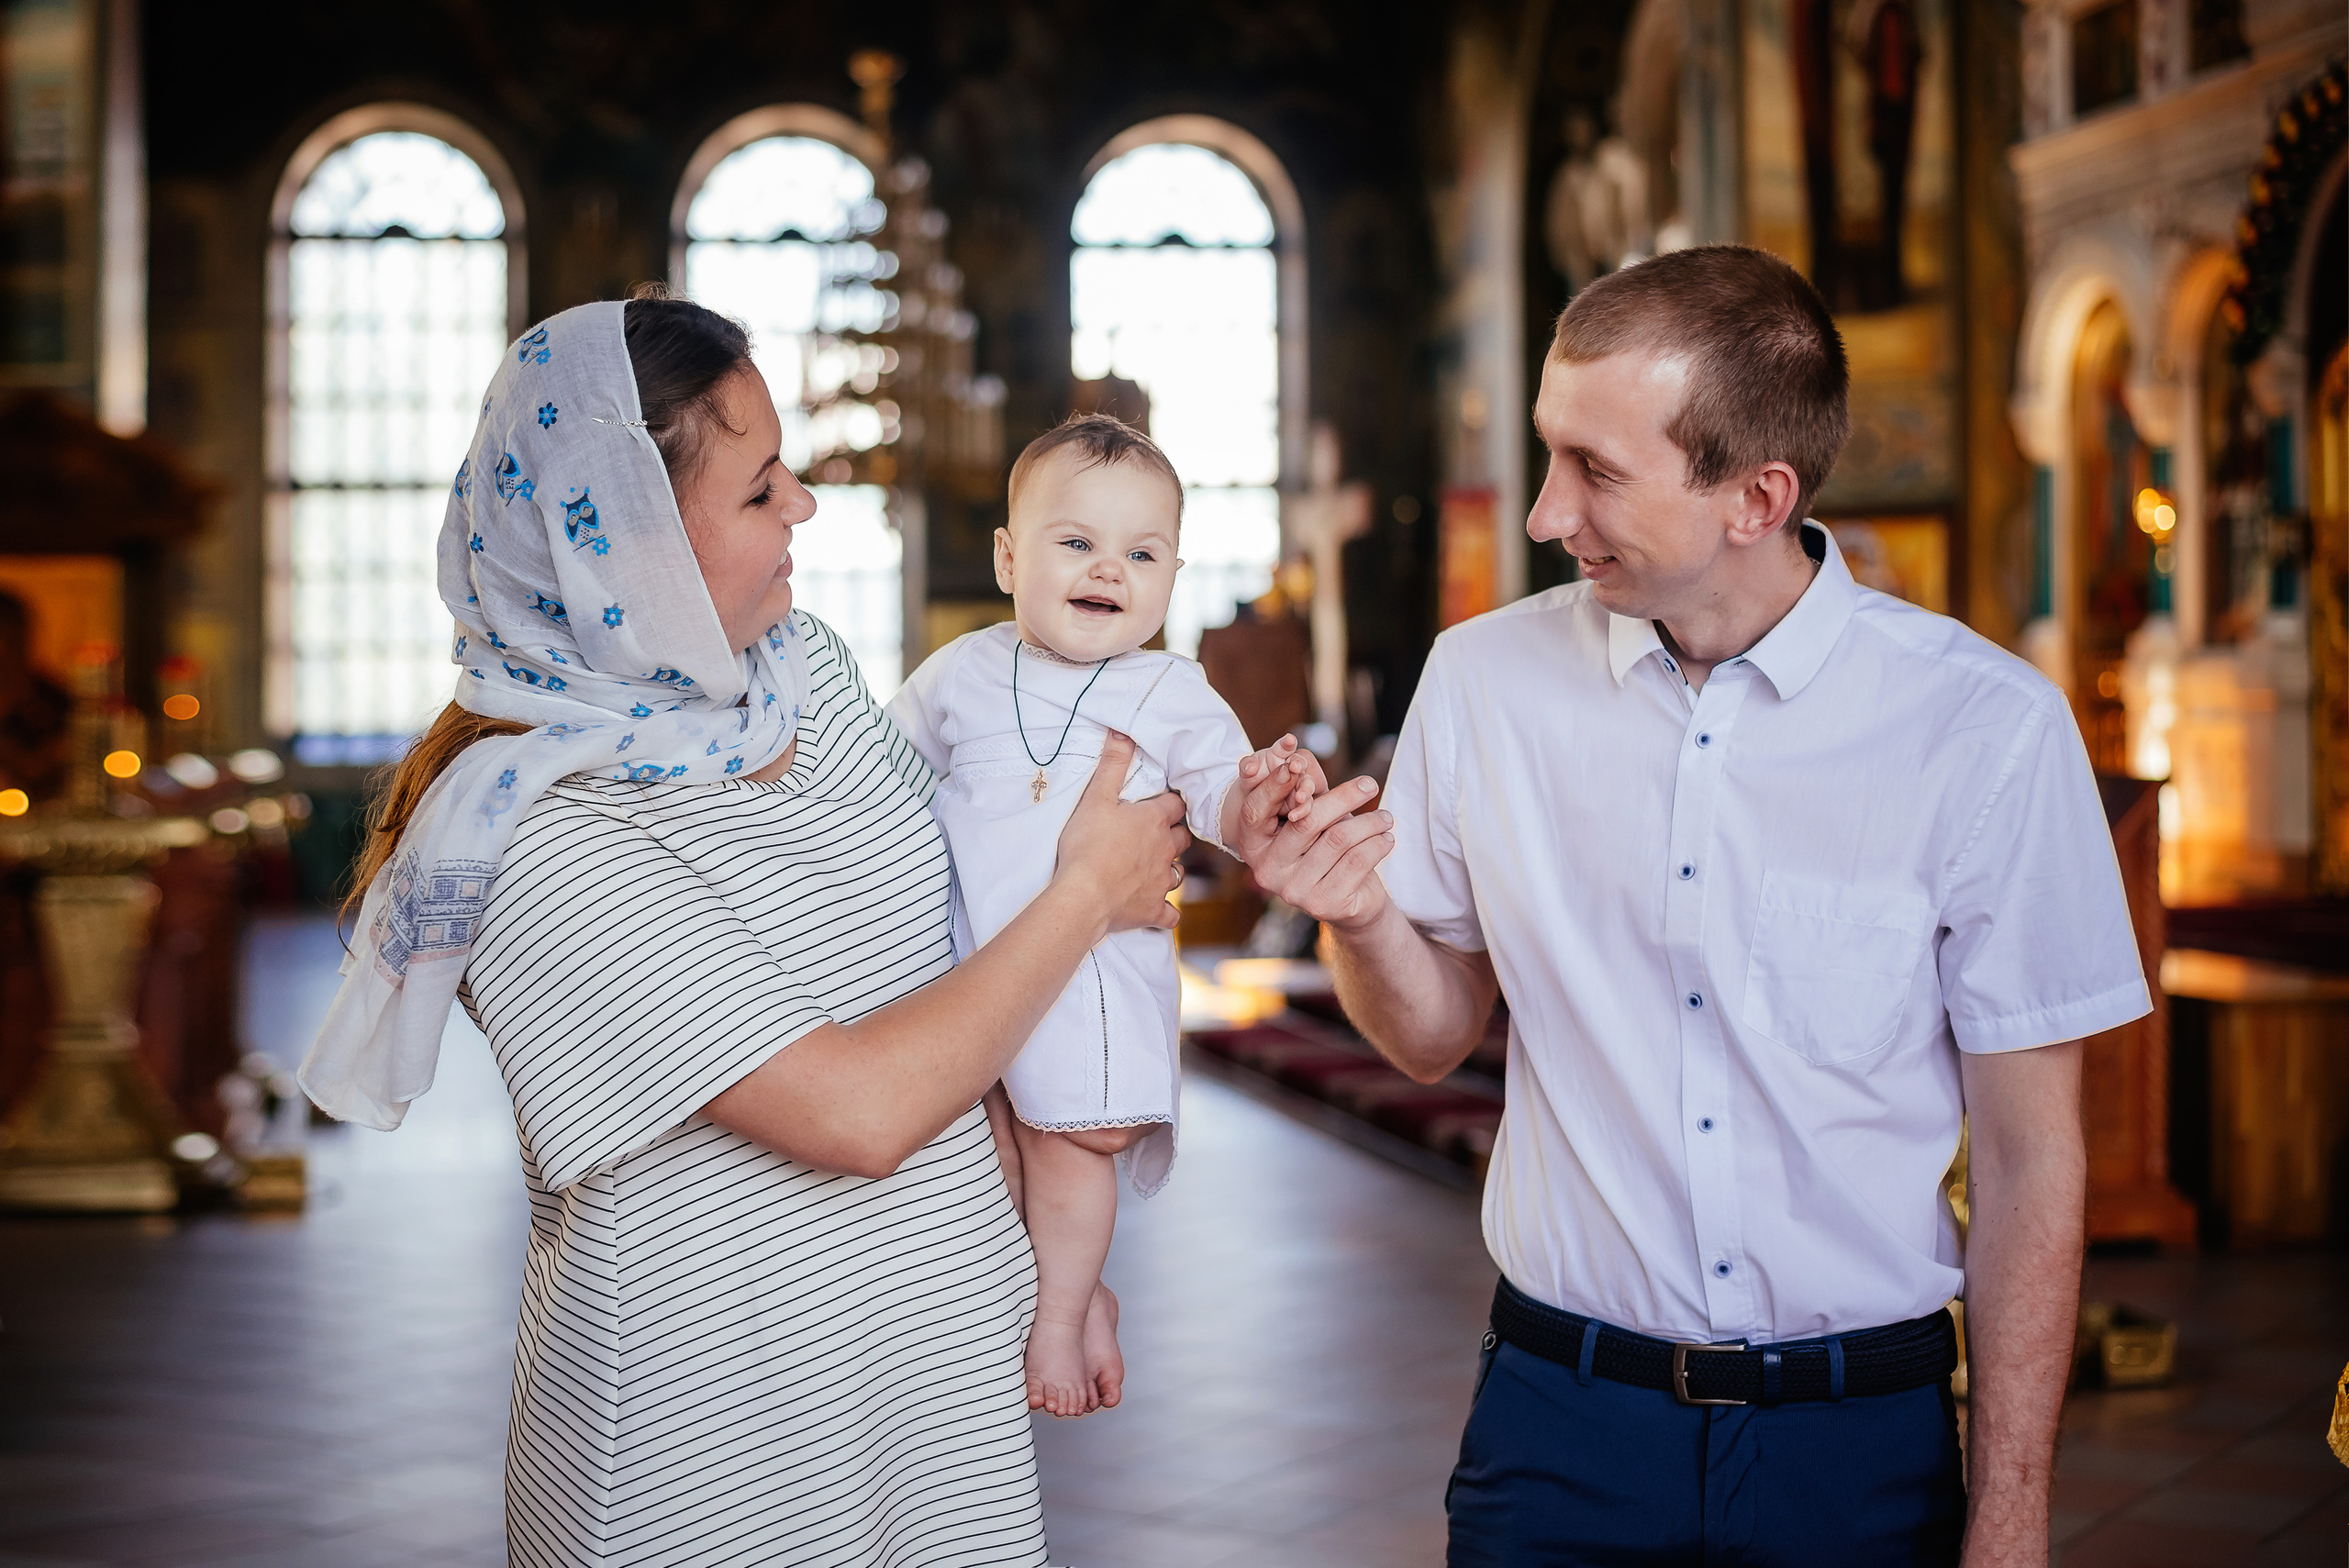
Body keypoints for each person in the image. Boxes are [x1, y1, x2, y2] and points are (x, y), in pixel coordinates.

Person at [1242, 245, 2146, 1565]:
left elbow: (2027, 1159)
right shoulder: (1483, 683)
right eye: (1554, 453)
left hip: (1860, 1445)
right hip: (1560, 1432)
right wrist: (1362, 918)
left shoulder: (1986, 729)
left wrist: (2009, 1515)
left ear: (1757, 496)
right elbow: (1431, 1038)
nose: (1547, 515)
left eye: (1595, 470)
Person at [298, 293, 1212, 1567]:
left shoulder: (810, 675)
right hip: (716, 1444)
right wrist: (1085, 894)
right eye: (759, 487)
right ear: (624, 545)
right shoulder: (538, 837)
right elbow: (854, 1111)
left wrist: (1051, 1266)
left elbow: (951, 963)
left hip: (932, 1394)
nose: (806, 507)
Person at [887, 414, 1320, 1418]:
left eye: (1141, 551)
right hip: (969, 973)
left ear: (1173, 574)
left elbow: (1219, 794)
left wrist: (1261, 797)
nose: (1107, 569)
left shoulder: (1169, 688)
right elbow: (883, 771)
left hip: (1091, 980)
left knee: (1070, 1141)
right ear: (1008, 556)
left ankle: (1060, 1311)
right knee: (981, 1140)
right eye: (1075, 542)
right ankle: (1077, 1294)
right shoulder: (960, 671)